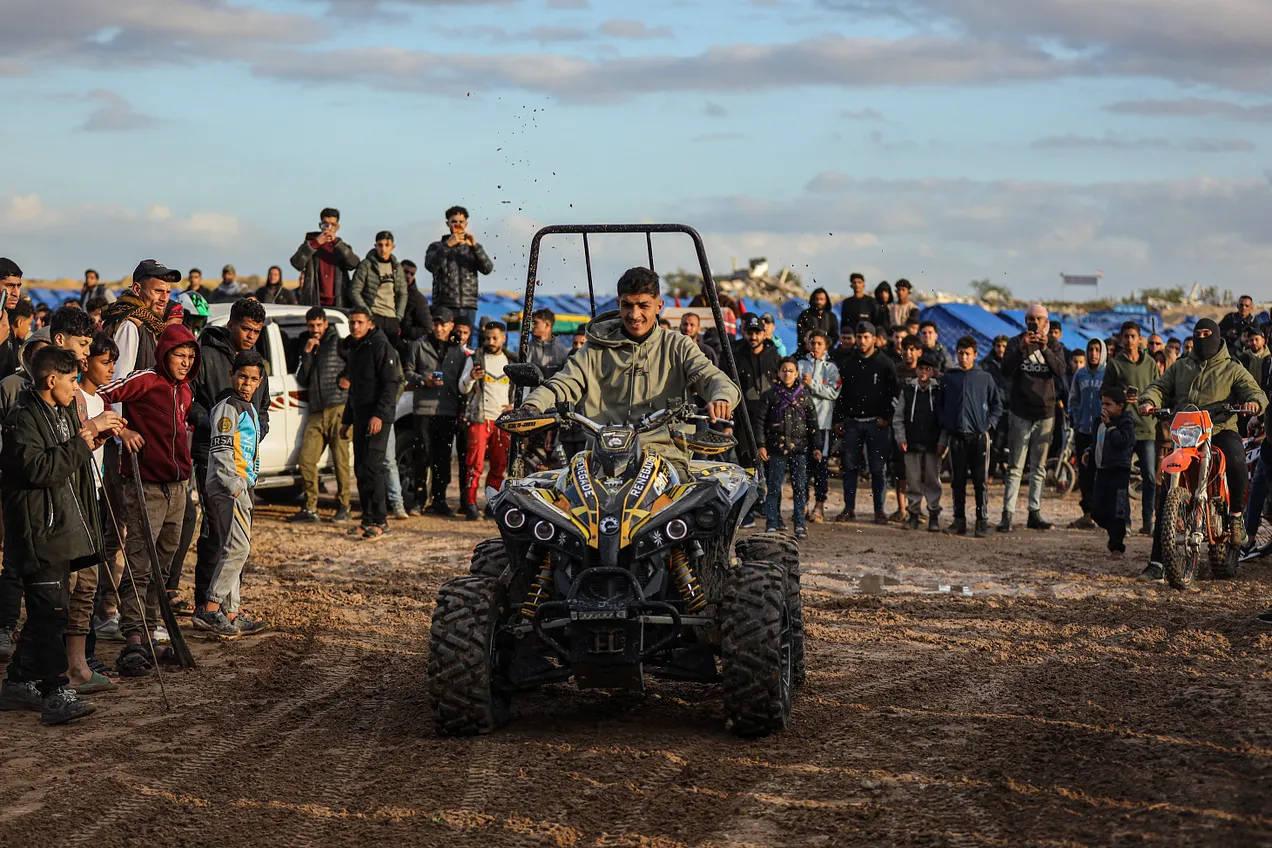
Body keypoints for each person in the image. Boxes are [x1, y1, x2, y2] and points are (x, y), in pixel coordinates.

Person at [0, 347, 121, 724]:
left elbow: (67, 460)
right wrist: (85, 441)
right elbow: (38, 469)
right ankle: (55, 692)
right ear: (52, 380)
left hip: (60, 525)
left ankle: (19, 681)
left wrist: (90, 442)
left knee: (45, 612)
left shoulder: (60, 410)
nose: (75, 387)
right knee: (51, 611)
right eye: (71, 380)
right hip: (38, 529)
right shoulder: (23, 417)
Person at [520, 267, 738, 474]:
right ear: (618, 304)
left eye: (643, 305)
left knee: (693, 505)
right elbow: (564, 382)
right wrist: (533, 405)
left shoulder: (677, 346)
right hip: (601, 458)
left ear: (659, 306)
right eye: (628, 305)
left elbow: (712, 377)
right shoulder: (595, 348)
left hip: (664, 457)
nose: (634, 315)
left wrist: (722, 398)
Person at [98, 325, 201, 677]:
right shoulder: (146, 379)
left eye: (191, 357)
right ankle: (133, 641)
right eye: (179, 355)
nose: (185, 363)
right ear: (164, 353)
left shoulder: (185, 390)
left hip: (178, 487)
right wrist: (120, 430)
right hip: (145, 485)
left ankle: (152, 632)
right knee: (140, 562)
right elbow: (101, 393)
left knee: (164, 564)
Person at [1137, 318, 1266, 581]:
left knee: (1236, 459)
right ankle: (1157, 563)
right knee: (1167, 493)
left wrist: (1253, 402)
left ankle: (1237, 516)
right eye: (1198, 334)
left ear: (1218, 336)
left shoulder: (1232, 368)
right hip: (1186, 433)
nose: (1202, 337)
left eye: (1208, 333)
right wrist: (1149, 400)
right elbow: (1159, 387)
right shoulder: (1181, 366)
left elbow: (1255, 391)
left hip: (1219, 429)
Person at [191, 298, 269, 614]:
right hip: (213, 456)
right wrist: (218, 426)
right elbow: (190, 402)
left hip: (244, 464)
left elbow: (262, 408)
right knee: (215, 534)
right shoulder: (206, 354)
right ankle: (206, 606)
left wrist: (257, 428)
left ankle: (229, 609)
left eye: (256, 331)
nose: (251, 335)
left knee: (239, 539)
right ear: (231, 324)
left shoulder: (256, 362)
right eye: (246, 328)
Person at [998, 304, 1066, 533]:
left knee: (1039, 467)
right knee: (1015, 466)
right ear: (1025, 321)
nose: (1035, 323)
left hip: (1045, 412)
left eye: (1039, 319)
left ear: (1047, 322)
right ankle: (1007, 514)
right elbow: (1005, 370)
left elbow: (1060, 371)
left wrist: (1045, 349)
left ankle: (1034, 513)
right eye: (1030, 319)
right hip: (1020, 411)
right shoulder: (1015, 341)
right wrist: (1022, 348)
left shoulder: (1054, 344)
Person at [339, 308, 400, 540]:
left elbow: (391, 384)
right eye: (352, 322)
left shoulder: (380, 346)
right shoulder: (356, 347)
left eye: (359, 322)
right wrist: (346, 421)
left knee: (374, 467)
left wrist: (379, 416)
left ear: (370, 324)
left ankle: (381, 520)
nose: (355, 327)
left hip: (378, 418)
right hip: (360, 415)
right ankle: (367, 518)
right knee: (361, 468)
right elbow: (354, 389)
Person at [290, 308, 352, 524]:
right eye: (311, 326)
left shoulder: (339, 341)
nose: (315, 330)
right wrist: (307, 353)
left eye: (318, 325)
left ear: (325, 324)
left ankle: (344, 506)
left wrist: (348, 377)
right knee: (306, 460)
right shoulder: (309, 345)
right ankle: (310, 508)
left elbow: (356, 359)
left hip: (338, 408)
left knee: (340, 461)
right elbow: (302, 378)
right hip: (316, 410)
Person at [403, 307, 467, 516]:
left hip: (448, 410)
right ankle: (418, 499)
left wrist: (461, 410)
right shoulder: (419, 345)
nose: (439, 328)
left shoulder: (458, 351)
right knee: (422, 456)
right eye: (436, 323)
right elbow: (408, 371)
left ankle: (439, 499)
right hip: (424, 409)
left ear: (451, 325)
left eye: (443, 324)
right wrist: (423, 380)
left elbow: (462, 382)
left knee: (443, 457)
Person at [834, 322, 898, 524]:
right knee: (850, 467)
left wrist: (886, 417)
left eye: (866, 337)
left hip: (876, 424)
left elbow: (894, 393)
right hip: (852, 423)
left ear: (874, 339)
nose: (862, 341)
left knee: (878, 469)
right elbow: (840, 393)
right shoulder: (848, 363)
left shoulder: (885, 363)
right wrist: (838, 418)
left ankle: (879, 510)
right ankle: (849, 508)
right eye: (859, 337)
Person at [938, 337, 1002, 537]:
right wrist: (947, 423)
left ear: (975, 355)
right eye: (960, 353)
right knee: (957, 480)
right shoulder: (949, 378)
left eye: (967, 354)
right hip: (956, 436)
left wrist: (988, 424)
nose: (963, 357)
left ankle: (981, 521)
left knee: (980, 481)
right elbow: (939, 404)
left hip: (979, 437)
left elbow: (996, 405)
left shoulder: (984, 378)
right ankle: (959, 520)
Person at [1101, 321, 1159, 536]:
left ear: (1139, 339)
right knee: (1122, 478)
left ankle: (1147, 521)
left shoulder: (1151, 364)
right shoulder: (1115, 364)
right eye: (1125, 336)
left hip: (1147, 428)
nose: (1129, 340)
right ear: (1121, 339)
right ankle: (1123, 521)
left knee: (1150, 477)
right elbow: (1104, 392)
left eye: (1133, 336)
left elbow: (1158, 388)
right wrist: (1121, 397)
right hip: (1124, 428)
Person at [754, 358, 818, 539]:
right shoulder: (769, 395)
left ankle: (799, 523)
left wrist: (817, 447)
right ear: (779, 373)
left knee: (800, 487)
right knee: (774, 486)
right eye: (784, 370)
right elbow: (759, 423)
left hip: (800, 448)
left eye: (791, 370)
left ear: (797, 373)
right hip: (776, 448)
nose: (787, 374)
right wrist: (761, 445)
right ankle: (772, 523)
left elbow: (813, 423)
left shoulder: (805, 395)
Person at [459, 321, 514, 520]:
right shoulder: (475, 358)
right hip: (480, 418)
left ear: (503, 338)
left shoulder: (512, 360)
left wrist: (513, 406)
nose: (490, 341)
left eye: (495, 338)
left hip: (502, 421)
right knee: (475, 465)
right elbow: (462, 387)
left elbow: (520, 390)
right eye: (487, 338)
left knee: (500, 465)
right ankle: (471, 504)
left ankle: (493, 503)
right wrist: (472, 377)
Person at [102, 259, 179, 378]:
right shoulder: (130, 326)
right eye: (158, 291)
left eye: (168, 292)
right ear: (137, 289)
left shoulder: (152, 323)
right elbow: (119, 381)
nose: (164, 298)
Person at [894, 353, 943, 532]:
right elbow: (898, 417)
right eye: (921, 368)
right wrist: (901, 438)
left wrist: (942, 442)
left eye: (927, 369)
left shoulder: (938, 391)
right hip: (911, 441)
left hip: (932, 442)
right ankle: (913, 513)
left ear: (933, 371)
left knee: (932, 479)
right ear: (916, 370)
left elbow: (944, 418)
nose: (923, 372)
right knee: (913, 480)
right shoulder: (908, 390)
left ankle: (934, 514)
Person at [1084, 387, 1135, 558]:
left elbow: (1123, 442)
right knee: (1096, 511)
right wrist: (1089, 452)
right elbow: (1097, 443)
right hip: (1103, 472)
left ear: (1120, 406)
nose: (1104, 407)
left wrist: (1111, 426)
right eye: (1102, 403)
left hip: (1119, 472)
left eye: (1109, 404)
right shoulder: (1099, 422)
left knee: (1118, 511)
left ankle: (1117, 546)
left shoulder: (1125, 421)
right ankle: (1115, 531)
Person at [425, 205, 494, 328]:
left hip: (468, 305)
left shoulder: (473, 248)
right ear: (448, 224)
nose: (458, 225)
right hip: (444, 304)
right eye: (454, 222)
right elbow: (431, 266)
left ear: (466, 224)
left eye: (461, 222)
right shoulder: (436, 247)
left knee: (465, 341)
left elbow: (487, 268)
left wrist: (474, 247)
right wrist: (447, 245)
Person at [798, 330, 840, 523]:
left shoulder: (831, 368)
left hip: (822, 425)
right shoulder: (800, 365)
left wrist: (812, 384)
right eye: (812, 343)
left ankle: (819, 504)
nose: (815, 347)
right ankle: (802, 503)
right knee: (801, 466)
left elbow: (834, 392)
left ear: (826, 346)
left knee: (820, 466)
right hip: (800, 424)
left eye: (819, 343)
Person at [1067, 338, 1106, 530]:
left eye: (1097, 350)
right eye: (1090, 349)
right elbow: (1073, 399)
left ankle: (1102, 513)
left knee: (1102, 471)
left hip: (1102, 433)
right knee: (1085, 473)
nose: (1093, 354)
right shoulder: (1080, 375)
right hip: (1083, 430)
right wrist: (1074, 420)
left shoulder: (1107, 373)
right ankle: (1087, 514)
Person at [292, 207, 361, 309]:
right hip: (314, 302)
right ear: (320, 225)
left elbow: (354, 264)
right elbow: (296, 263)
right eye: (325, 224)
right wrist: (314, 244)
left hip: (338, 303)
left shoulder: (341, 247)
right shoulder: (310, 245)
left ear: (337, 227)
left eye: (333, 225)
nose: (329, 227)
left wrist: (336, 243)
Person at [351, 231, 409, 348]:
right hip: (374, 315)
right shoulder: (366, 265)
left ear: (393, 247)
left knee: (392, 353)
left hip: (391, 318)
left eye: (387, 245)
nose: (383, 249)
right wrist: (367, 314)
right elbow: (354, 290)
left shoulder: (397, 267)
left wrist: (398, 317)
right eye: (380, 245)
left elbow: (403, 293)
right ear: (375, 246)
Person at [522, 307, 570, 379]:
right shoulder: (526, 348)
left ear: (547, 325)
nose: (532, 326)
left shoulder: (561, 351)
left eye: (536, 323)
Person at [399, 260, 435, 345]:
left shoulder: (419, 299)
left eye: (412, 274)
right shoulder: (387, 292)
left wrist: (404, 330)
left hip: (406, 344)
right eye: (406, 272)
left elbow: (427, 329)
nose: (408, 276)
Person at [796, 288, 838, 355]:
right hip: (807, 352)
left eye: (821, 299)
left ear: (826, 300)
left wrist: (824, 346)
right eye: (817, 299)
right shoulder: (805, 315)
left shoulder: (831, 316)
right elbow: (801, 334)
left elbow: (834, 336)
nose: (819, 302)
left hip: (827, 352)